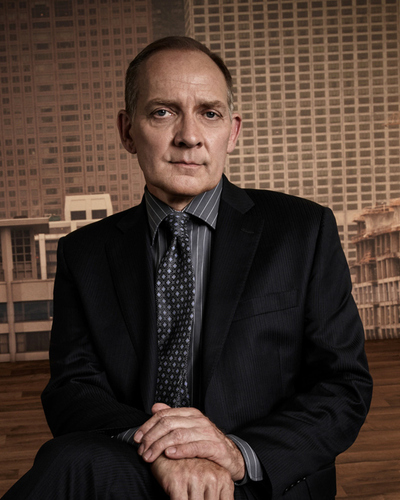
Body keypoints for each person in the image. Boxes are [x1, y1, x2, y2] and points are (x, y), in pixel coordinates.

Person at [2, 36, 372, 500]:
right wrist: (165, 450)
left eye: (209, 114)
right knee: (70, 464)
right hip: (139, 464)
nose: (189, 136)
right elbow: (73, 389)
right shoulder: (85, 252)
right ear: (127, 131)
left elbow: (344, 385)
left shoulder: (303, 231)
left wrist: (234, 454)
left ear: (232, 132)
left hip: (255, 477)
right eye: (163, 112)